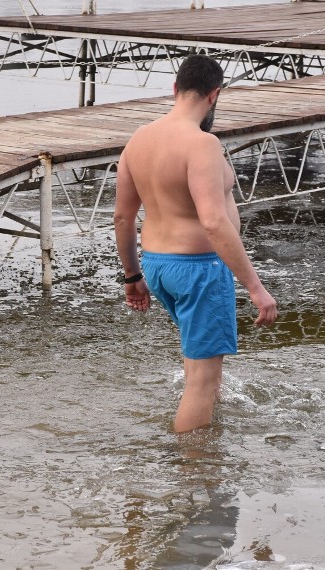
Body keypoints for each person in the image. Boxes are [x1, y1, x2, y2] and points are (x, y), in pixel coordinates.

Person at [113, 54, 278, 433]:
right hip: (198, 269)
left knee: (198, 370)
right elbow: (214, 222)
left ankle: (206, 442)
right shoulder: (202, 143)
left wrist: (132, 276)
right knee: (204, 382)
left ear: (175, 89)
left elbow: (122, 218)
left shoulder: (138, 139)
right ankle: (193, 471)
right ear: (214, 94)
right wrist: (256, 288)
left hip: (157, 264)